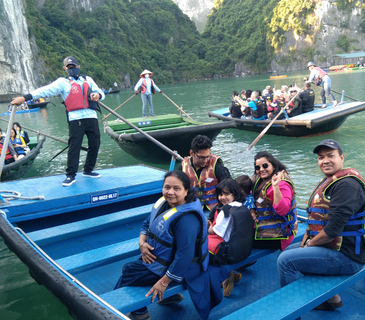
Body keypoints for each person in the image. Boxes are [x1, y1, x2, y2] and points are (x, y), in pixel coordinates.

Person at [277, 139, 365, 311]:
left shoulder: (347, 185)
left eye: (330, 156)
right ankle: (332, 300)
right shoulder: (335, 181)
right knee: (288, 251)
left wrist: (309, 244)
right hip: (336, 248)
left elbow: (332, 230)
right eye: (321, 157)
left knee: (286, 261)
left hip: (349, 256)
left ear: (342, 157)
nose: (325, 161)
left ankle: (293, 310)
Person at [114, 170, 227, 320]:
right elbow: (147, 223)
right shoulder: (163, 203)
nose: (170, 192)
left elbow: (184, 256)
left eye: (177, 188)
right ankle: (168, 298)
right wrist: (142, 243)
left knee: (128, 272)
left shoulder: (186, 220)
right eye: (167, 187)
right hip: (161, 258)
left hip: (181, 268)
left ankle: (139, 313)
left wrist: (164, 282)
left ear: (186, 191)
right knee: (134, 269)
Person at [11, 56, 104, 186]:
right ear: (65, 68)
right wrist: (24, 98)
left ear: (79, 67)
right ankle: (71, 175)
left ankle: (88, 170)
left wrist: (98, 95)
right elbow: (44, 90)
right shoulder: (62, 82)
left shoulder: (88, 80)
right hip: (75, 119)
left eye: (74, 67)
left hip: (91, 116)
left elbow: (100, 92)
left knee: (95, 144)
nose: (72, 69)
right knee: (74, 147)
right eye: (69, 67)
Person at [207, 179, 254, 297]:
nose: (223, 197)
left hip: (231, 255)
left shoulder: (225, 211)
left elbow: (214, 231)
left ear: (234, 194)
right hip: (245, 251)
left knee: (199, 245)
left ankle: (224, 277)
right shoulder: (242, 207)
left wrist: (211, 225)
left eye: (226, 194)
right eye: (220, 194)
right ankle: (231, 273)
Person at [251, 151, 297, 251]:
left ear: (273, 165)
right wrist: (251, 211)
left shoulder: (282, 184)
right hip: (262, 227)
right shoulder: (260, 180)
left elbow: (283, 211)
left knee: (235, 240)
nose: (261, 169)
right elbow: (249, 195)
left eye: (265, 166)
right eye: (258, 167)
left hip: (278, 235)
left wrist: (275, 186)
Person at [178, 135, 231, 210]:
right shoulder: (183, 167)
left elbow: (229, 186)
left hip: (214, 208)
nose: (206, 160)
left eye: (208, 156)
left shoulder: (217, 166)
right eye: (201, 157)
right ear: (192, 153)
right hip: (191, 207)